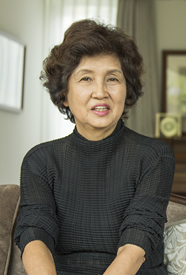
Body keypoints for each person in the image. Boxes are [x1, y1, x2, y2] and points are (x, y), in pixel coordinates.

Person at [14, 19, 175, 275]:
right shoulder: (40, 160)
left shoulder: (154, 156)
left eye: (112, 79)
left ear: (127, 90)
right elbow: (35, 234)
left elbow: (137, 240)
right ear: (64, 95)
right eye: (86, 78)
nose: (100, 92)